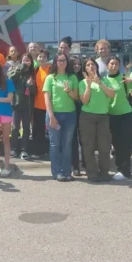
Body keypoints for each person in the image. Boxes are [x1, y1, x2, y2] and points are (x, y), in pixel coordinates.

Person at [78, 57, 116, 182]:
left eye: (92, 64)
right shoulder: (82, 83)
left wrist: (99, 83)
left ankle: (104, 172)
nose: (91, 67)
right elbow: (84, 100)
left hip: (103, 117)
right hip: (87, 117)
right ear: (85, 69)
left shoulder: (105, 80)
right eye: (88, 65)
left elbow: (112, 94)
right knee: (88, 146)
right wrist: (89, 86)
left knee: (104, 146)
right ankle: (92, 172)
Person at [44, 53, 79, 181]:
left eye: (64, 60)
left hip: (70, 114)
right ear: (55, 62)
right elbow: (47, 98)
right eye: (59, 60)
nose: (62, 62)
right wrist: (51, 116)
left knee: (67, 144)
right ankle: (57, 172)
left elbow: (77, 97)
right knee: (55, 144)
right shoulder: (50, 78)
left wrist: (69, 91)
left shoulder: (72, 77)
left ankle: (66, 171)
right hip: (54, 114)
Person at [105, 56, 132, 181]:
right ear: (107, 65)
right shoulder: (103, 80)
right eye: (111, 63)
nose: (114, 66)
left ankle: (125, 170)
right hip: (111, 115)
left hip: (125, 114)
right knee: (116, 144)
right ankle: (120, 168)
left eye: (116, 64)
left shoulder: (124, 79)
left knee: (126, 144)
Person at [9, 52, 36, 160]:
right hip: (16, 103)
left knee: (26, 128)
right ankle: (13, 148)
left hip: (27, 105)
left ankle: (24, 150)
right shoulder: (16, 70)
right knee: (15, 128)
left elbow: (34, 92)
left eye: (28, 60)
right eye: (24, 60)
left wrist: (30, 85)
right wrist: (22, 67)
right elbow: (10, 77)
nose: (26, 62)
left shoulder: (32, 73)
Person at [31, 49, 51, 159]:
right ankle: (38, 151)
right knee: (37, 130)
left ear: (47, 58)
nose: (41, 59)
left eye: (43, 57)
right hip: (37, 105)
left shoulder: (51, 69)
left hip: (49, 105)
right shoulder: (36, 70)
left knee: (50, 130)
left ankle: (49, 151)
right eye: (39, 57)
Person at [70, 55, 85, 176]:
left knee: (84, 139)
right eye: (74, 64)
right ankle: (75, 166)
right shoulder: (69, 77)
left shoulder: (84, 77)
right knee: (73, 139)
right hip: (70, 110)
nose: (77, 66)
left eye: (79, 64)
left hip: (84, 111)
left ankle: (86, 163)